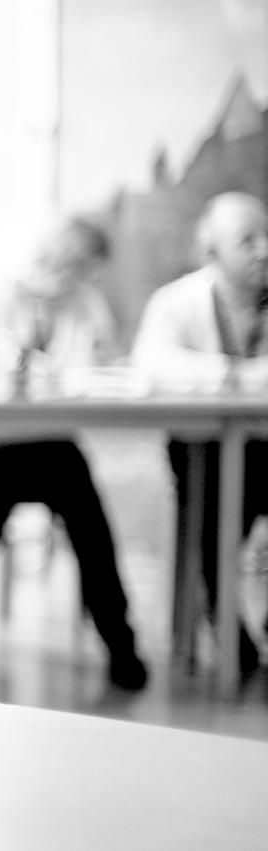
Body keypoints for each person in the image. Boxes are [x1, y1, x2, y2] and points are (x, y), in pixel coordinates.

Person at [0, 217, 147, 690]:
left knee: (90, 522)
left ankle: (120, 641)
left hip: (46, 442)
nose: (79, 278)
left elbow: (104, 365)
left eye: (87, 271)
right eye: (76, 266)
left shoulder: (86, 305)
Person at [131, 190, 268, 675]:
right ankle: (231, 640)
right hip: (202, 451)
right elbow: (151, 365)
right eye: (247, 240)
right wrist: (238, 375)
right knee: (215, 519)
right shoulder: (177, 302)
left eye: (266, 235)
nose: (264, 249)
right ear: (212, 250)